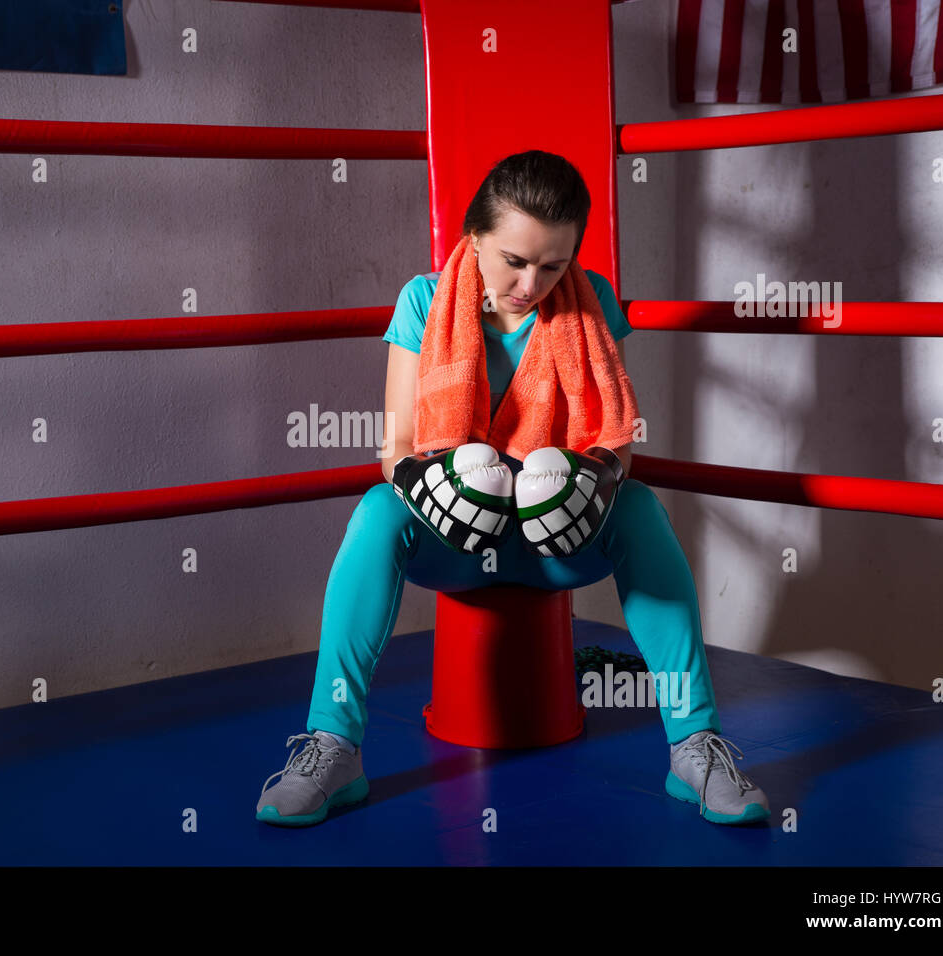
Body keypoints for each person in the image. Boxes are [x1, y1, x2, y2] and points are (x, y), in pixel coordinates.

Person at [256, 150, 770, 828]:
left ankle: (695, 747)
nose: (532, 283)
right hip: (459, 539)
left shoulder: (593, 304)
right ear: (474, 237)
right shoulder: (422, 301)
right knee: (379, 513)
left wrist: (600, 476)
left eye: (554, 265)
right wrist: (427, 483)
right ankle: (333, 746)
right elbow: (398, 449)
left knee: (639, 507)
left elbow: (616, 434)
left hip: (556, 538)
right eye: (514, 260)